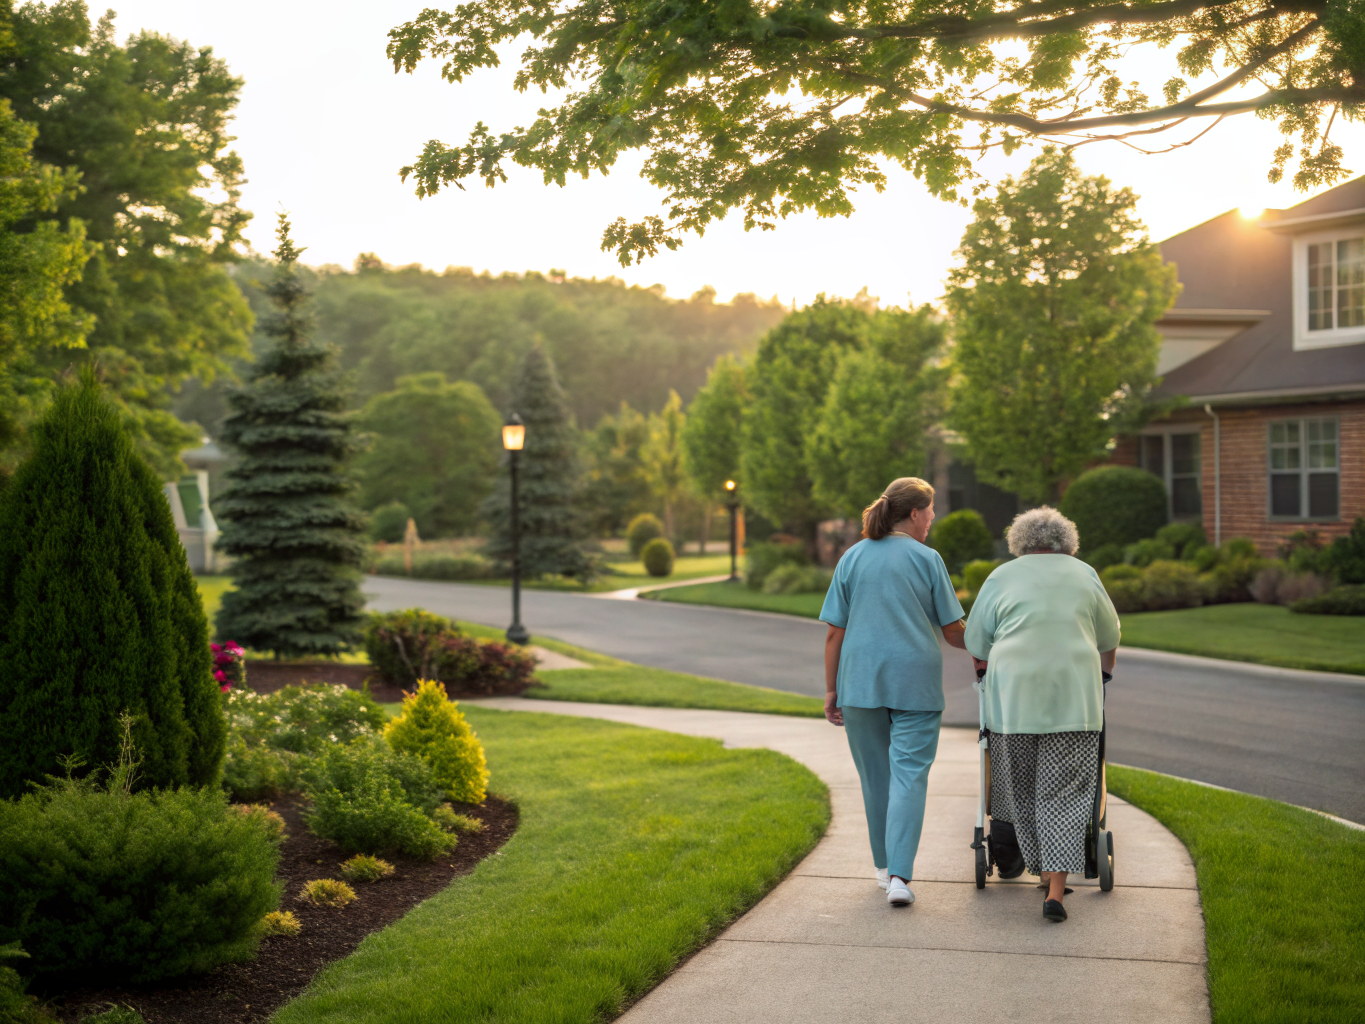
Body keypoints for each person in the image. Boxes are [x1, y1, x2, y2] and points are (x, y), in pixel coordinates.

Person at [964, 506, 1120, 923]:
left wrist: (984, 664)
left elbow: (975, 638)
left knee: (1025, 793)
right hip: (1074, 701)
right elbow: (1110, 636)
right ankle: (1054, 892)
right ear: (1066, 543)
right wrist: (1104, 674)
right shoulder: (1084, 573)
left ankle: (1039, 868)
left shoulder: (1001, 576)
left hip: (1013, 704)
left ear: (1020, 543)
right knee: (1066, 796)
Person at [820, 477, 967, 907]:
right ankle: (901, 876)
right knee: (909, 777)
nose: (933, 519)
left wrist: (831, 690)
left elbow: (834, 634)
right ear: (917, 513)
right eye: (932, 512)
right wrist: (991, 647)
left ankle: (885, 871)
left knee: (875, 781)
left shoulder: (851, 558)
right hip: (914, 681)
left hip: (859, 681)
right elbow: (955, 632)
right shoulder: (927, 558)